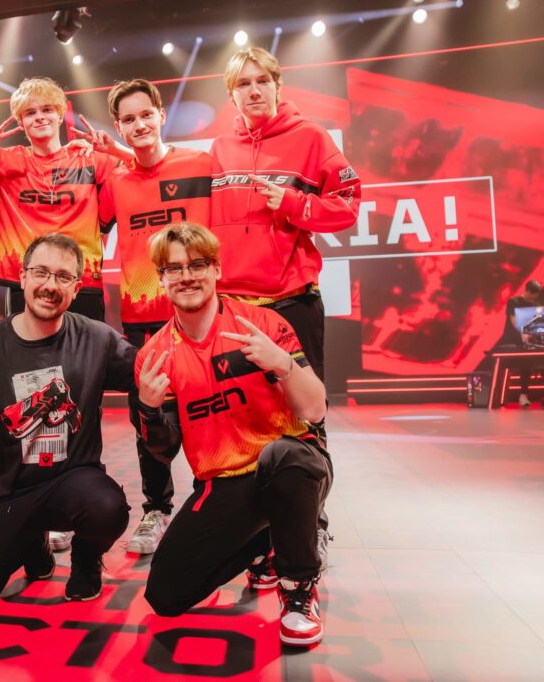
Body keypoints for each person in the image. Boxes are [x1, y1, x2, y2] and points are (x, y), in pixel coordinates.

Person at [135, 223, 332, 647]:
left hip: (291, 464)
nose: (186, 276)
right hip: (224, 481)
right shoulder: (154, 355)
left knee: (284, 456)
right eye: (174, 269)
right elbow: (164, 451)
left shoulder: (261, 323)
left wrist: (283, 365)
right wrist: (148, 410)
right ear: (161, 279)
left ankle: (299, 588)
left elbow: (315, 409)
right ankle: (265, 544)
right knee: (165, 595)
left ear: (217, 269)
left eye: (197, 265)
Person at [211, 46, 360, 568]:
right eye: (242, 84)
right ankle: (257, 534)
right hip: (237, 308)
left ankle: (312, 525)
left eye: (261, 81)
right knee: (247, 421)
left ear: (278, 85)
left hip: (292, 301)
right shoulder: (220, 148)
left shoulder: (311, 137)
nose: (253, 91)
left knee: (305, 417)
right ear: (231, 94)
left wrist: (296, 204)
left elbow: (349, 204)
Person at [0, 234, 135, 611]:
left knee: (108, 509)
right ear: (23, 277)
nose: (50, 285)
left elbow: (148, 369)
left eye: (63, 277)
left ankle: (85, 557)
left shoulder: (96, 338)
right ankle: (32, 543)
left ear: (76, 288)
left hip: (71, 480)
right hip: (6, 491)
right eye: (41, 272)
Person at [92, 78, 212, 555]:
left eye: (146, 115)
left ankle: (213, 504)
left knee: (211, 417)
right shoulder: (115, 182)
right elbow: (86, 225)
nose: (139, 124)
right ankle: (157, 510)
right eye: (129, 119)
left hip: (202, 318)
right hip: (144, 323)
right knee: (150, 420)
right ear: (118, 126)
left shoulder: (201, 165)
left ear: (161, 115)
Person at [0, 77, 121, 324]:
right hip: (25, 282)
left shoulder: (89, 158)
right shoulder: (4, 161)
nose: (40, 117)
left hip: (81, 280)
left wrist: (113, 149)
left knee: (86, 349)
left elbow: (144, 169)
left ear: (60, 115)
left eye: (47, 110)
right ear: (20, 122)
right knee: (26, 350)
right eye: (30, 113)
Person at [497, 279, 544, 407]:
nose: (534, 298)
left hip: (527, 341)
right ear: (527, 291)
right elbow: (513, 319)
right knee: (505, 365)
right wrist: (522, 333)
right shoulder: (514, 301)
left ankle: (523, 395)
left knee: (526, 365)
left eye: (536, 296)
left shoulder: (536, 304)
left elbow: (537, 321)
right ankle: (498, 395)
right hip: (511, 339)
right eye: (533, 295)